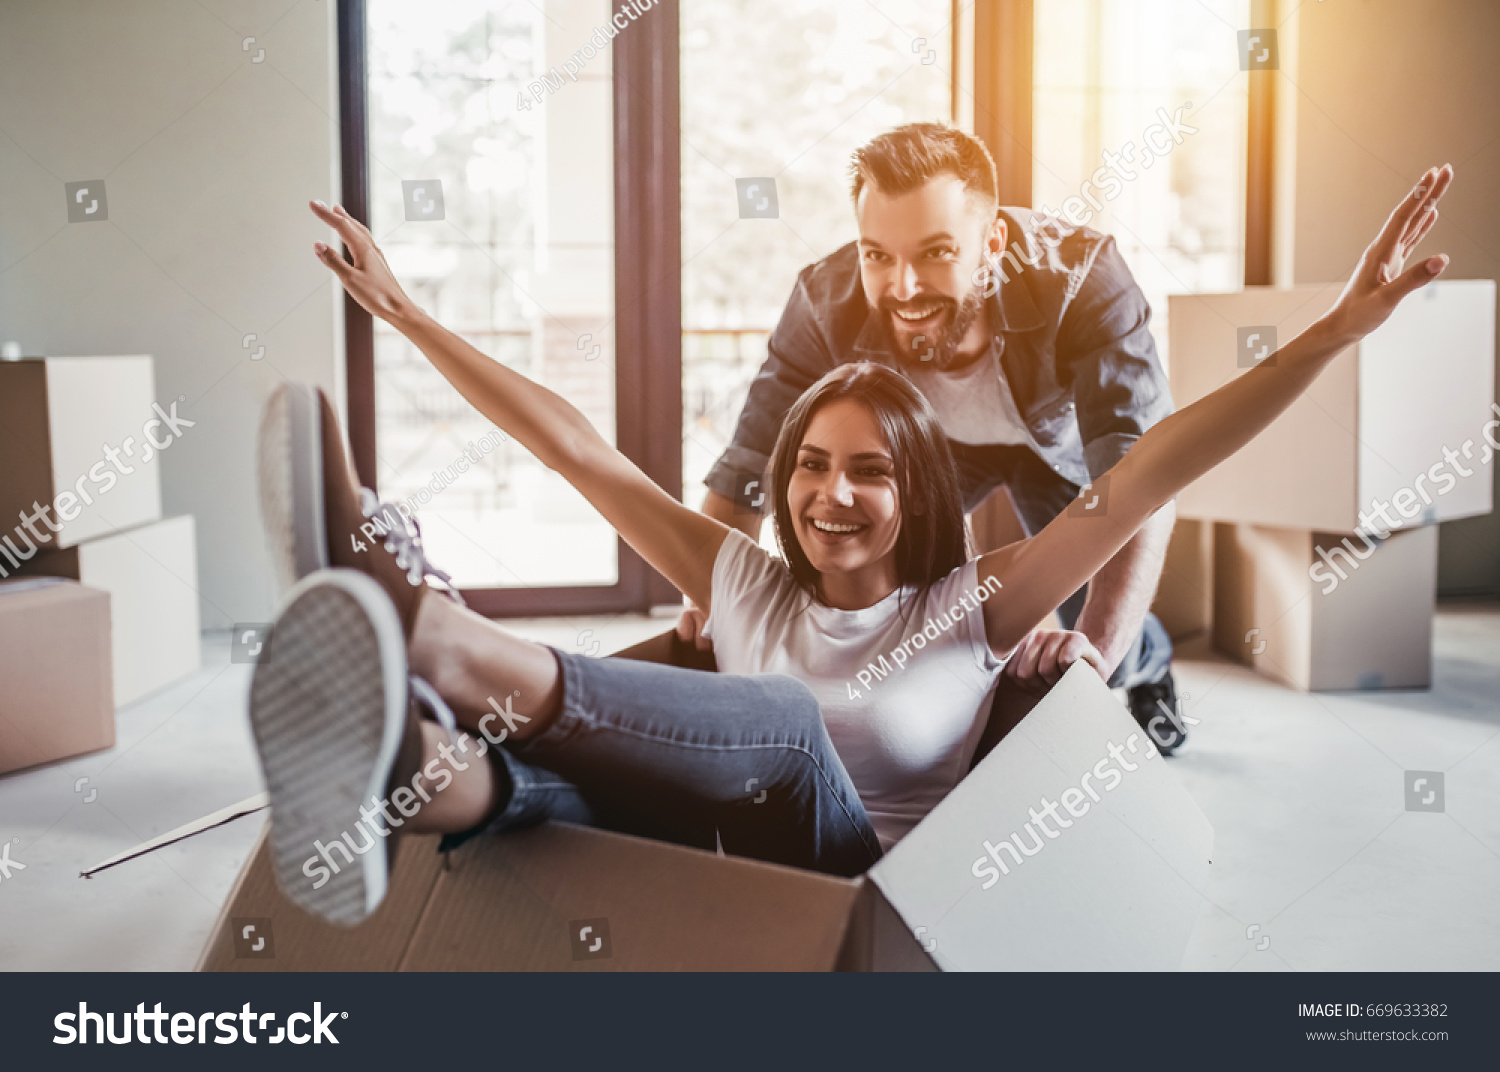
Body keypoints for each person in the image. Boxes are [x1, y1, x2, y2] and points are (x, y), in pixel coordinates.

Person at [247, 164, 1451, 927]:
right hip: (716, 854)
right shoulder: (744, 577)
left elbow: (1159, 463)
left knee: (780, 721)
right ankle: (397, 757)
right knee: (536, 789)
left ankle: (425, 622)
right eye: (813, 465)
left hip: (856, 881)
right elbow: (580, 450)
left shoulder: (974, 606)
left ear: (916, 485)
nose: (832, 493)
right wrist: (407, 315)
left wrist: (1336, 331)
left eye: (870, 469)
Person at [684, 122, 1185, 748]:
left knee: (1097, 612)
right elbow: (747, 468)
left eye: (937, 252)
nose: (905, 287)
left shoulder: (1084, 278)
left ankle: (1150, 662)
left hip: (1058, 451)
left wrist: (1097, 660)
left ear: (993, 241)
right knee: (898, 580)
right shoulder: (823, 302)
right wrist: (719, 604)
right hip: (937, 451)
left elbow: (1143, 479)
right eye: (878, 255)